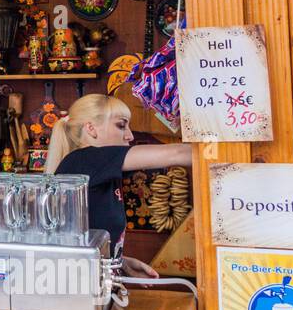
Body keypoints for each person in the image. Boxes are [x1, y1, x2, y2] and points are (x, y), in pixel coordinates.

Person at [44, 94, 192, 279]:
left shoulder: (95, 168)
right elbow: (176, 154)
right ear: (91, 128)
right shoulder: (86, 159)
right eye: (121, 126)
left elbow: (85, 241)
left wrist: (119, 262)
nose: (129, 135)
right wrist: (225, 150)